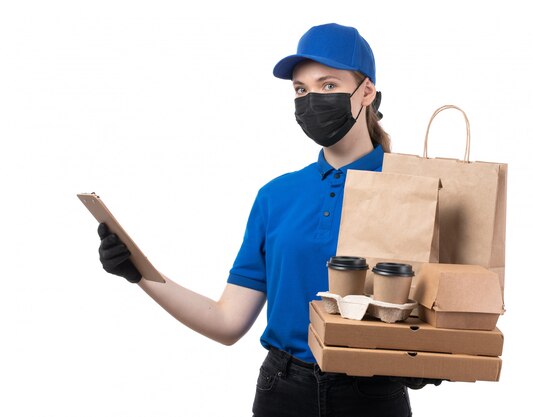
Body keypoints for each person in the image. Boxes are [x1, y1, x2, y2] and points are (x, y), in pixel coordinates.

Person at [96, 23, 439, 417]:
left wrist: (432, 352)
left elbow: (445, 304)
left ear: (367, 91)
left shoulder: (414, 190)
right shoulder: (276, 196)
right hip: (283, 392)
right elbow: (227, 322)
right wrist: (138, 273)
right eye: (301, 89)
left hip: (373, 394)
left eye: (328, 85)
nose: (311, 99)